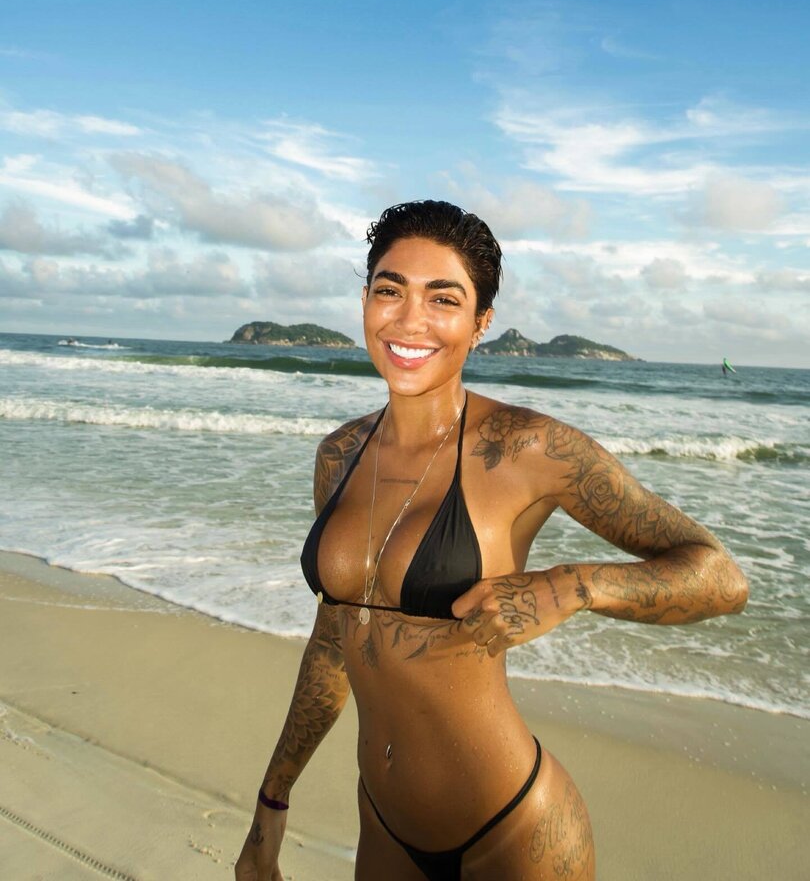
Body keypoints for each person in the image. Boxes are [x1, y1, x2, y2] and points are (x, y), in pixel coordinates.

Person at [235, 200, 749, 881]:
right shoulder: (339, 454)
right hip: (383, 828)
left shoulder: (526, 447)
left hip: (512, 830)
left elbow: (719, 576)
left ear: (481, 324)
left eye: (443, 299)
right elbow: (334, 641)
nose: (409, 320)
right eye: (390, 290)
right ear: (365, 301)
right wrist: (272, 801)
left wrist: (573, 587)